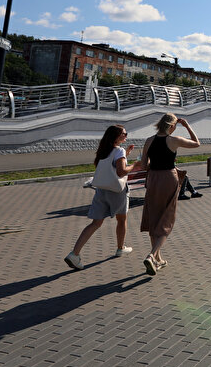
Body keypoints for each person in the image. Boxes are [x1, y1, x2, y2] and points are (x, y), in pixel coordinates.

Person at [65, 125, 134, 270]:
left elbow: (111, 166)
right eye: (124, 133)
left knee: (95, 223)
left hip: (101, 190)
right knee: (122, 219)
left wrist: (125, 154)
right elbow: (121, 172)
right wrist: (136, 165)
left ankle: (74, 253)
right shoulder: (119, 150)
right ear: (116, 136)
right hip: (116, 191)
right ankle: (120, 248)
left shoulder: (104, 150)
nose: (126, 136)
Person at [138, 114, 200, 276]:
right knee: (167, 219)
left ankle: (158, 259)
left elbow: (144, 165)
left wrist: (154, 162)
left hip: (153, 179)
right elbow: (197, 143)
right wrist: (187, 126)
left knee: (155, 216)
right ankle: (152, 256)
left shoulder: (149, 140)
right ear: (172, 126)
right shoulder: (174, 140)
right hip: (168, 178)